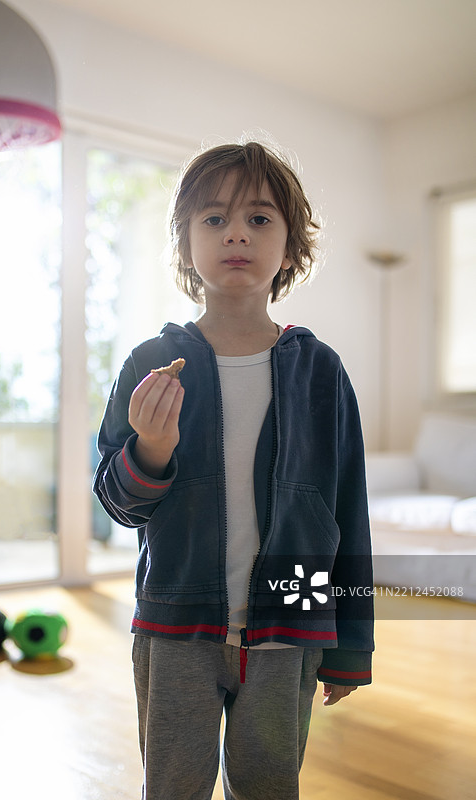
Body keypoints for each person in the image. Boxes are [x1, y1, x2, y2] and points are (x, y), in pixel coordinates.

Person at [93, 138, 374, 800]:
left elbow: (347, 513)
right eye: (213, 219)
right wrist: (151, 449)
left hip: (289, 628)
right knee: (173, 787)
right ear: (184, 240)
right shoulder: (149, 363)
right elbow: (115, 499)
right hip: (174, 629)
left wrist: (349, 645)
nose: (235, 234)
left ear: (290, 243)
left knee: (268, 785)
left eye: (258, 217)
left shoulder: (320, 371)